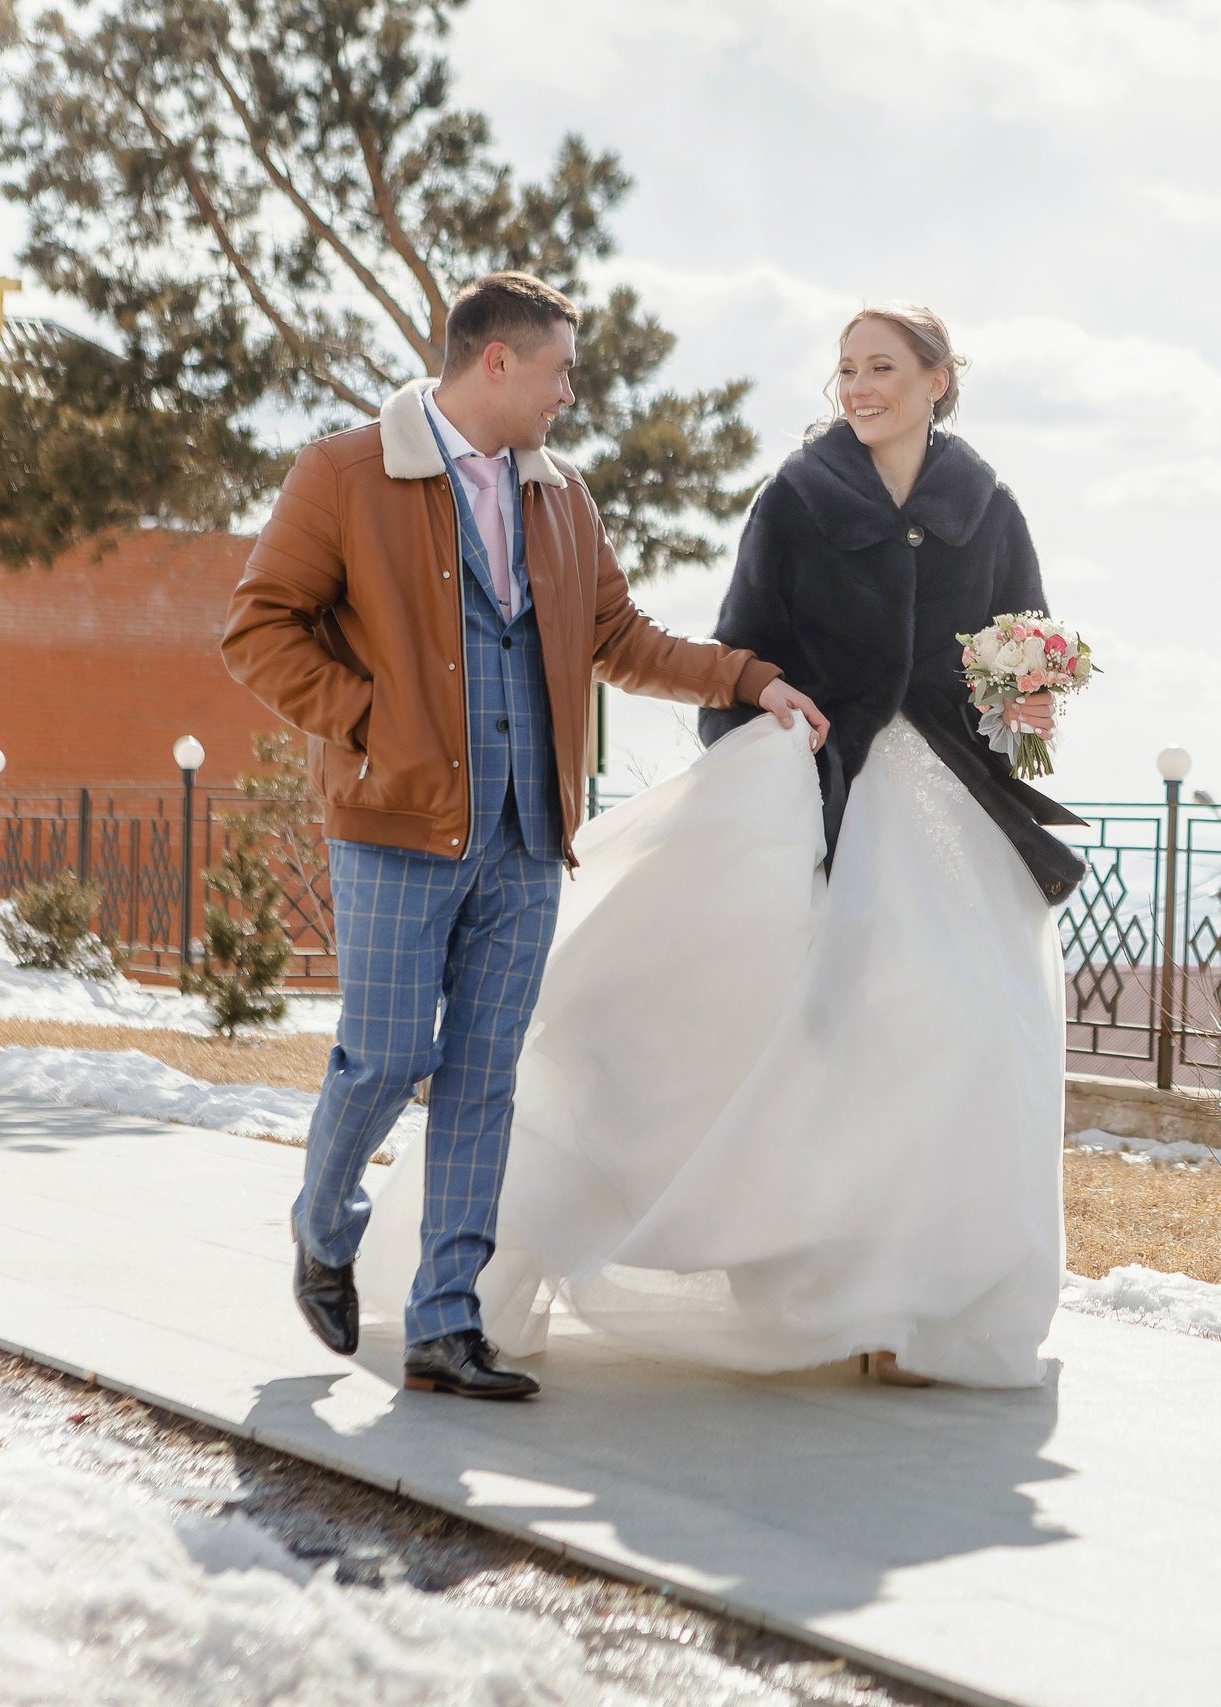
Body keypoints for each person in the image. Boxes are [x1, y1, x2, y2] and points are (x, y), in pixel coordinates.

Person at [357, 303, 1081, 1390]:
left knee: (960, 1036)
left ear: (940, 379)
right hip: (820, 776)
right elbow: (742, 644)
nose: (859, 385)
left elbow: (1025, 647)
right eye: (845, 367)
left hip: (944, 803)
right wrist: (766, 751)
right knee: (772, 1030)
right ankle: (743, 1275)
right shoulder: (797, 499)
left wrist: (1024, 707)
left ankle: (916, 1311)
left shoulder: (988, 503)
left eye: (883, 366)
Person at [222, 271, 827, 1401]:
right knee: (391, 1054)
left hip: (526, 835)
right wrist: (367, 718)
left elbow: (618, 638)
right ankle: (323, 1221)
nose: (570, 393)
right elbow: (257, 629)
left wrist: (749, 680)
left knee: (485, 1078)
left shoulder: (563, 498)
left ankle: (450, 1325)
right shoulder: (347, 472)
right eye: (559, 371)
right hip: (397, 823)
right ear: (495, 362)